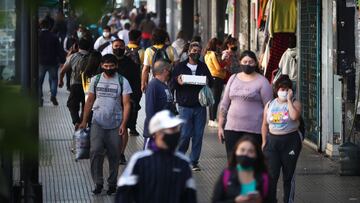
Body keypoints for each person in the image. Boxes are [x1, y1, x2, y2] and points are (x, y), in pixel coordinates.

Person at [115, 110, 197, 203]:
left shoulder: (183, 163)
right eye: (171, 129)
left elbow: (190, 197)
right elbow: (123, 195)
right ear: (158, 133)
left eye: (176, 129)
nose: (176, 132)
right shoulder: (139, 161)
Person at [78, 54, 132, 195]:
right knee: (95, 151)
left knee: (114, 155)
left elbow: (126, 104)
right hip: (97, 122)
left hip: (115, 123)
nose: (109, 68)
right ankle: (98, 183)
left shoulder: (122, 81)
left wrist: (123, 124)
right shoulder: (95, 80)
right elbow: (89, 101)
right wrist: (84, 120)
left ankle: (112, 184)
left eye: (111, 66)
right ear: (101, 65)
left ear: (116, 66)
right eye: (106, 66)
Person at [218, 50, 273, 160]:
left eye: (251, 62)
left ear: (256, 63)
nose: (247, 64)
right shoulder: (233, 78)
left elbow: (269, 108)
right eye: (245, 61)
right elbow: (224, 104)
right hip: (231, 129)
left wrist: (267, 132)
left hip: (255, 131)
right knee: (232, 162)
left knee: (252, 164)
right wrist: (220, 126)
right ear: (240, 62)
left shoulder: (262, 82)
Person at [170, 41, 213, 171]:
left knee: (198, 135)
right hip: (184, 106)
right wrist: (177, 81)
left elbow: (211, 81)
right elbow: (172, 84)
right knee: (185, 134)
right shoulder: (180, 67)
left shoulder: (203, 66)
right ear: (188, 52)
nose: (196, 53)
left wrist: (206, 81)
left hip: (200, 106)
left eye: (198, 51)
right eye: (193, 51)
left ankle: (193, 161)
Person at [261, 75, 302, 203]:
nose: (283, 91)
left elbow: (294, 116)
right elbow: (264, 124)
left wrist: (289, 100)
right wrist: (264, 141)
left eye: (286, 89)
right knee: (272, 175)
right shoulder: (270, 104)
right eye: (281, 89)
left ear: (290, 90)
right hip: (273, 142)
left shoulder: (295, 103)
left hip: (290, 141)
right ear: (276, 90)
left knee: (288, 176)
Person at [212, 136, 269, 203]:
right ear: (236, 152)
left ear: (257, 155)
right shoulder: (227, 175)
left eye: (250, 151)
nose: (245, 154)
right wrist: (235, 201)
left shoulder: (264, 178)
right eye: (242, 150)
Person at [112, 39, 142, 164]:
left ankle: (120, 153)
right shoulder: (106, 61)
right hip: (109, 102)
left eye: (121, 46)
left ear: (125, 48)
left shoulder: (130, 64)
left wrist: (134, 99)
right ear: (112, 47)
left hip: (125, 101)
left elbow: (136, 82)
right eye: (116, 46)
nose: (118, 48)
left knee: (123, 128)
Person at [59, 38, 91, 130]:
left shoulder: (73, 56)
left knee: (72, 104)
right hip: (88, 85)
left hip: (75, 85)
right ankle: (83, 121)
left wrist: (61, 81)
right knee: (87, 105)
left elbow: (62, 71)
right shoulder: (93, 57)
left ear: (78, 46)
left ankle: (76, 121)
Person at [143, 60, 176, 148]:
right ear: (165, 70)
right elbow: (150, 109)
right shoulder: (153, 85)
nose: (170, 72)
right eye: (169, 70)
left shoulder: (165, 85)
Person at [38, 19, 64, 106]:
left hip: (41, 62)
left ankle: (40, 98)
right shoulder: (54, 37)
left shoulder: (38, 36)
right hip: (53, 62)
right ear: (49, 26)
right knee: (54, 79)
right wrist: (62, 60)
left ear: (41, 26)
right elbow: (59, 50)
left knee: (39, 81)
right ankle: (53, 96)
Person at [204, 38, 226, 128]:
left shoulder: (207, 54)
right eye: (219, 45)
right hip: (217, 78)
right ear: (215, 45)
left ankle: (211, 119)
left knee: (212, 99)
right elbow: (218, 67)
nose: (220, 47)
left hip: (211, 77)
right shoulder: (213, 54)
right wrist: (224, 64)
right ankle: (212, 120)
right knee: (215, 100)